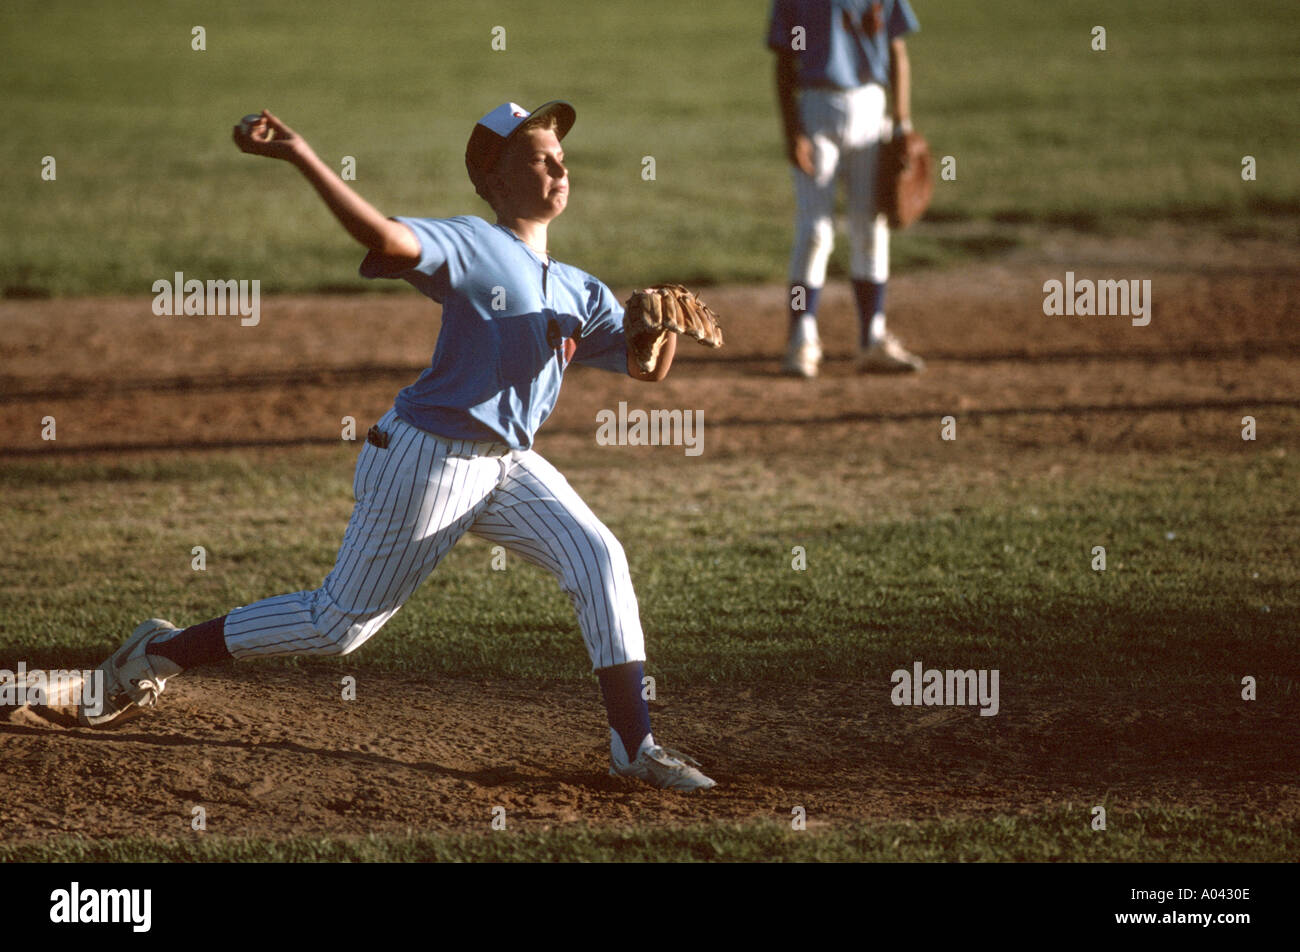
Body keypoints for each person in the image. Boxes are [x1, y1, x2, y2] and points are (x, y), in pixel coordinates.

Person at [76, 100, 716, 793]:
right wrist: (300, 155)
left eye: (561, 155)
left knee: (599, 556)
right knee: (336, 627)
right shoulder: (472, 245)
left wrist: (659, 328)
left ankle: (635, 746)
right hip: (428, 458)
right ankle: (159, 653)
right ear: (492, 176)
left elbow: (644, 367)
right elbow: (382, 235)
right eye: (539, 155)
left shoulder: (578, 286)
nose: (559, 165)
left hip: (509, 465)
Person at [768, 0, 925, 377]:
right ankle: (802, 339)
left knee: (871, 227)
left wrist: (902, 123)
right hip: (816, 108)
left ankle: (873, 338)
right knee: (815, 231)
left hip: (871, 108)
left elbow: (896, 49)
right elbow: (785, 61)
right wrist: (792, 130)